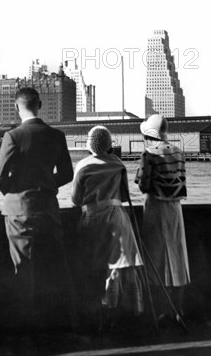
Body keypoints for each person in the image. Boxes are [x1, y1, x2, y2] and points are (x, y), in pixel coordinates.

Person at [0, 87, 75, 330]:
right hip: (49, 210)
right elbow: (67, 173)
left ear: (17, 107)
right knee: (55, 267)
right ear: (39, 104)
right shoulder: (56, 135)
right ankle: (64, 324)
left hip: (19, 212)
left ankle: (26, 329)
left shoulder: (13, 136)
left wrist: (17, 189)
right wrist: (47, 185)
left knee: (24, 270)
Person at [71, 126, 145, 331]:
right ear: (109, 144)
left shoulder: (83, 165)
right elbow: (125, 195)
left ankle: (99, 315)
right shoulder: (118, 164)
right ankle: (129, 313)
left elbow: (76, 200)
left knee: (96, 268)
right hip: (117, 217)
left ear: (89, 144)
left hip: (93, 218)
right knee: (122, 266)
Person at [135, 114, 190, 322]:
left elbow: (143, 185)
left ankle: (160, 311)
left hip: (156, 208)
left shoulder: (148, 154)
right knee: (177, 257)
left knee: (156, 258)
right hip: (175, 210)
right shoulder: (179, 151)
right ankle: (178, 310)